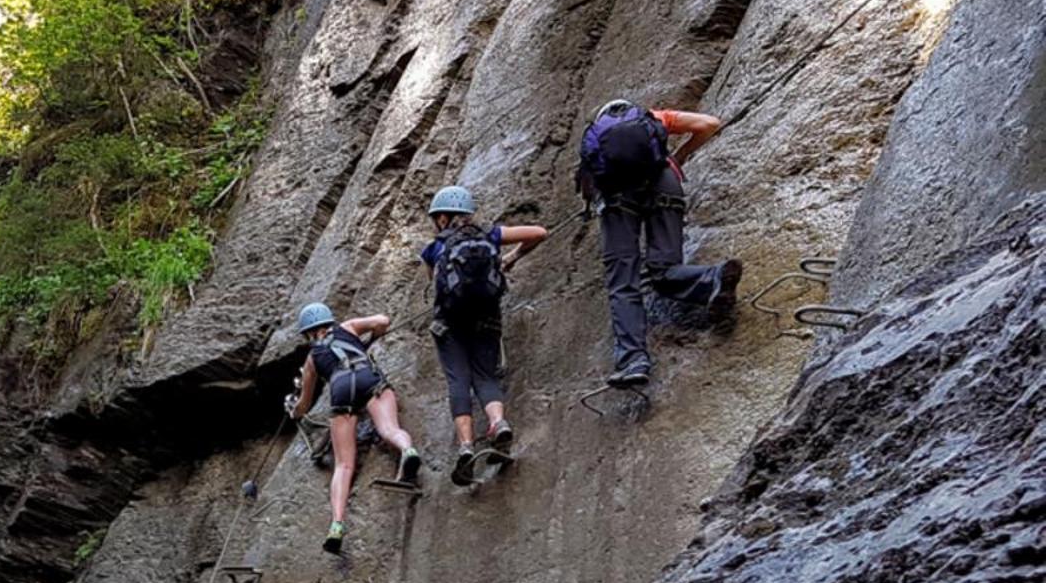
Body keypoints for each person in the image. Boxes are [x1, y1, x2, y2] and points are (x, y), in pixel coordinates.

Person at [577, 100, 745, 387]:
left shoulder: (594, 139)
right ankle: (713, 277)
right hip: (665, 184)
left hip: (617, 201)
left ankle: (633, 360)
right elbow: (709, 124)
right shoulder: (655, 119)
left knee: (624, 283)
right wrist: (677, 156)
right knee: (664, 271)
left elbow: (588, 189)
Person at [418, 185, 549, 484]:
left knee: (458, 380)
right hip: (487, 318)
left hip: (450, 324)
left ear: (442, 218)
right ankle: (497, 422)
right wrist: (511, 258)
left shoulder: (432, 248)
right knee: (486, 377)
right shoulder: (490, 235)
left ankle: (465, 446)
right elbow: (540, 232)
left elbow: (436, 286)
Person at [288, 302, 422, 555]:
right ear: (329, 321)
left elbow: (303, 406)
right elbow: (383, 319)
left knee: (343, 465)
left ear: (308, 332)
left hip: (340, 389)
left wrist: (293, 410)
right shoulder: (347, 327)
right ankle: (408, 451)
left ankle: (336, 525)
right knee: (389, 429)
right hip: (367, 375)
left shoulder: (311, 361)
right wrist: (370, 338)